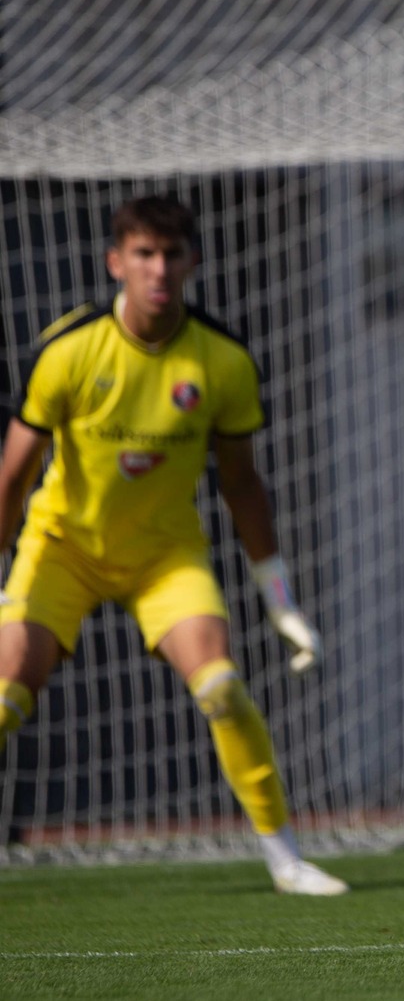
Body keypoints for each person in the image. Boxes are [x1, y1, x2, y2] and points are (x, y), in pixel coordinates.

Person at [0, 194, 343, 895]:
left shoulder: (222, 359)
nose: (158, 269)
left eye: (171, 253)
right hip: (63, 545)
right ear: (115, 262)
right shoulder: (68, 350)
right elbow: (13, 474)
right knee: (5, 692)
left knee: (221, 688)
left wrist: (279, 599)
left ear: (194, 261)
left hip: (165, 556)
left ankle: (286, 859)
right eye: (144, 254)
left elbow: (243, 484)